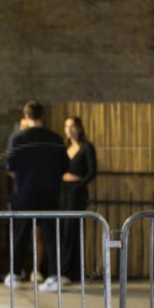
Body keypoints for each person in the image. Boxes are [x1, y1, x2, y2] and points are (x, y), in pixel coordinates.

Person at [4, 101, 69, 292]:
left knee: (21, 233)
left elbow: (10, 167)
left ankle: (15, 275)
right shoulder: (56, 139)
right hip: (50, 193)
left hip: (25, 193)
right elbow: (65, 167)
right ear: (42, 116)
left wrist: (23, 179)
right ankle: (53, 277)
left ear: (26, 116)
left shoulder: (18, 138)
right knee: (50, 234)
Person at [59, 116, 97, 282]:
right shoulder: (64, 148)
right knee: (62, 229)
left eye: (73, 126)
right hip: (63, 190)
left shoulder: (87, 147)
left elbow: (92, 171)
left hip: (77, 191)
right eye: (67, 126)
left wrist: (78, 185)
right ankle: (62, 270)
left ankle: (71, 272)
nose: (70, 129)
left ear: (79, 128)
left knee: (72, 229)